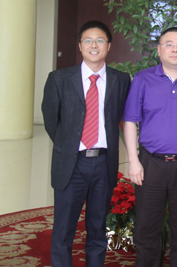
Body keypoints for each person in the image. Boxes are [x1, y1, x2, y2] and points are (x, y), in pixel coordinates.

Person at [42, 20, 130, 267]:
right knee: (63, 230)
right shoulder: (59, 79)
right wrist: (69, 146)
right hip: (71, 164)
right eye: (88, 40)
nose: (94, 45)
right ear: (80, 46)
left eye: (100, 40)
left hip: (103, 164)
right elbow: (51, 121)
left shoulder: (121, 80)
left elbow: (124, 117)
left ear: (108, 46)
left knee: (97, 228)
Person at [123, 27, 177, 266]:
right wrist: (133, 160)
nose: (175, 49)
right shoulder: (143, 79)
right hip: (150, 163)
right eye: (169, 44)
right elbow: (130, 121)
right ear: (159, 50)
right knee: (146, 227)